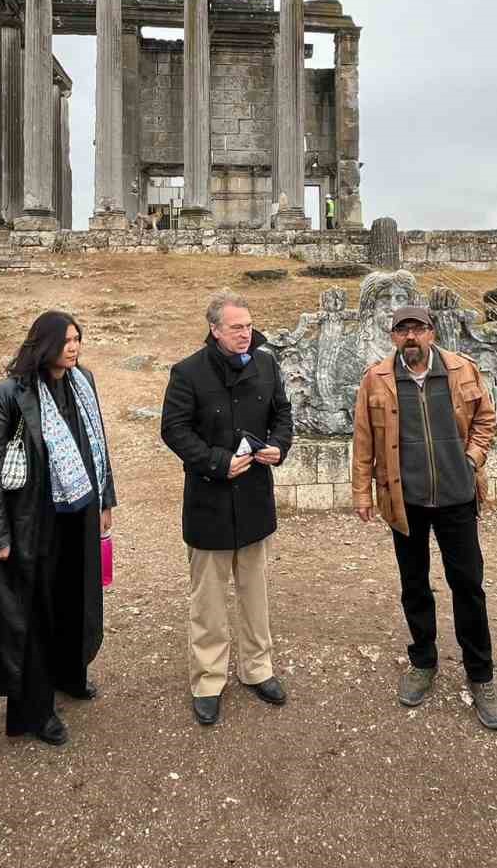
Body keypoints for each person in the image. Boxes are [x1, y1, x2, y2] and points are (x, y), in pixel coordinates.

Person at [0, 311, 115, 746]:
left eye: (77, 338)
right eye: (66, 340)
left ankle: (70, 674)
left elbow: (98, 443)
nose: (74, 347)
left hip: (79, 515)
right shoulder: (9, 394)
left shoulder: (83, 383)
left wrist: (106, 499)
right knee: (34, 613)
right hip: (32, 522)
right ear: (42, 343)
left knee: (76, 600)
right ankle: (35, 709)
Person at [350, 305, 497, 730]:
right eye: (403, 330)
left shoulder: (462, 370)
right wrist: (361, 491)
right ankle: (423, 662)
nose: (411, 337)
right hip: (406, 501)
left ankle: (481, 675)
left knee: (468, 585)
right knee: (414, 585)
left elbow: (486, 419)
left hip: (457, 499)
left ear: (432, 334)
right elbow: (363, 437)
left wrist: (471, 459)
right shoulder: (376, 378)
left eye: (418, 329)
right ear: (393, 337)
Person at [162, 289, 293, 726]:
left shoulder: (267, 363)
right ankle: (209, 681)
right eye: (236, 327)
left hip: (254, 498)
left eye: (248, 325)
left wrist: (279, 445)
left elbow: (282, 414)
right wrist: (218, 462)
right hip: (209, 501)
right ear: (215, 329)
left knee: (255, 595)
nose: (245, 333)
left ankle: (258, 669)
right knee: (209, 601)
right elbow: (174, 430)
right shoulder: (186, 373)